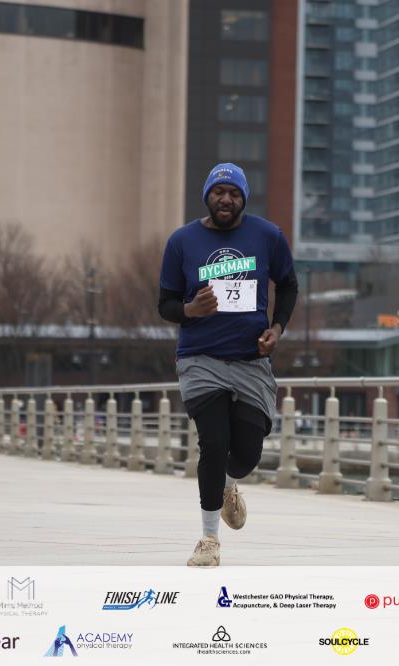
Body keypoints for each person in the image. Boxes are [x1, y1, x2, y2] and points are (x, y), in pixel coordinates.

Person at [159, 163, 298, 567]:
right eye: (219, 192)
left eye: (234, 193)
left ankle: (228, 485)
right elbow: (165, 304)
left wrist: (277, 328)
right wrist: (191, 309)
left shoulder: (268, 236)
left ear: (244, 199)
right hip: (200, 358)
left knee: (247, 453)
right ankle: (209, 539)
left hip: (250, 359)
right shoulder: (182, 241)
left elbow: (288, 285)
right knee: (214, 443)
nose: (226, 199)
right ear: (207, 196)